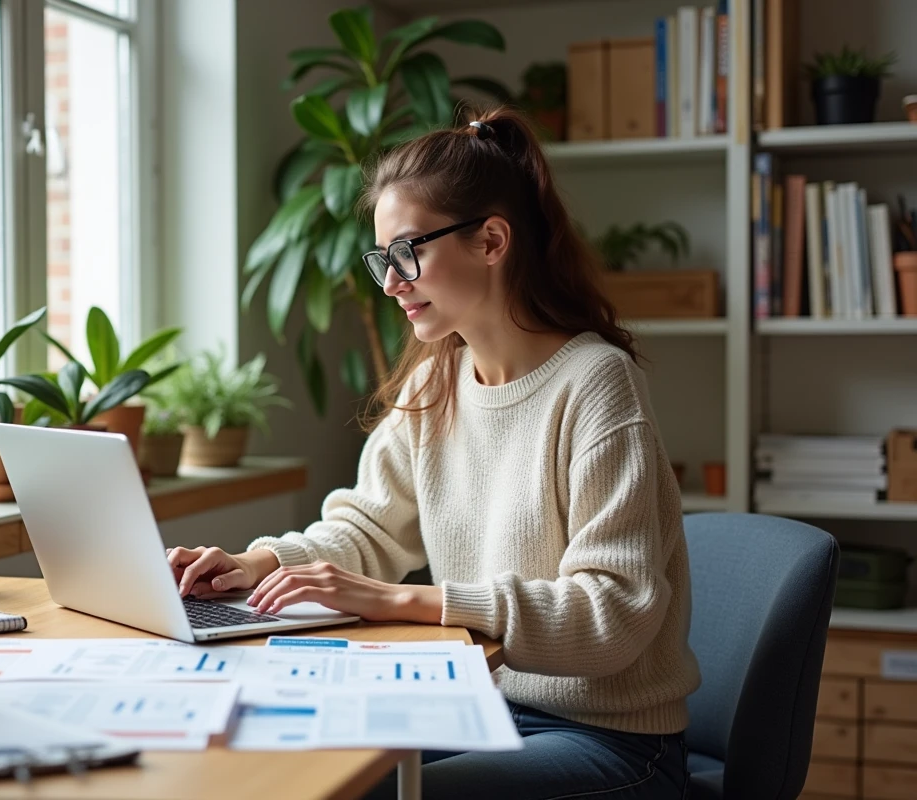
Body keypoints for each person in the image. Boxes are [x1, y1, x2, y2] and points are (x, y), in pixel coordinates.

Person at [168, 107, 700, 798]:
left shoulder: (595, 383)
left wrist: (399, 599)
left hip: (615, 742)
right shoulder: (436, 380)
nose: (391, 282)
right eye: (382, 258)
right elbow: (365, 528)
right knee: (303, 771)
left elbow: (613, 613)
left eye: (408, 252)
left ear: (492, 241)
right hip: (485, 707)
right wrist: (254, 563)